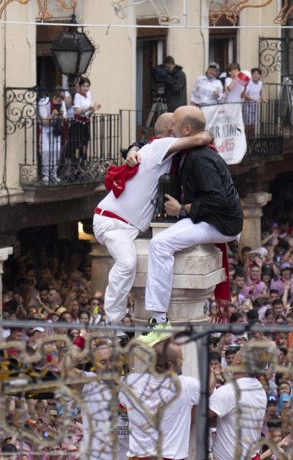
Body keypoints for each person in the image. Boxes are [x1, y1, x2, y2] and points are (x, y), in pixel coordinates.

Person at [92, 113, 212, 336]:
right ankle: (111, 323)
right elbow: (199, 140)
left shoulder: (154, 149)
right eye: (175, 126)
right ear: (169, 131)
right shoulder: (161, 145)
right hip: (113, 222)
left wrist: (132, 149)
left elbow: (140, 145)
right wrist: (207, 132)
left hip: (127, 225)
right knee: (127, 263)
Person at [143, 105, 243, 331]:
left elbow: (217, 200)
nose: (171, 128)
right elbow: (148, 145)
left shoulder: (200, 159)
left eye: (174, 125)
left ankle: (158, 319)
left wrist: (181, 209)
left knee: (159, 245)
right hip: (213, 218)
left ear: (187, 130)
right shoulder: (193, 149)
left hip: (221, 224)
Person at [120, 337, 212, 459]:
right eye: (181, 358)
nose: (183, 361)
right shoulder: (186, 385)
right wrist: (212, 372)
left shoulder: (131, 382)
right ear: (170, 366)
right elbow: (209, 389)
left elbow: (124, 406)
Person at [209, 344, 268, 460]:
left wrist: (210, 379)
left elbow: (197, 416)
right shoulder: (259, 388)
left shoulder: (230, 391)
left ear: (240, 359)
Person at [67, 76, 101, 164]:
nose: (86, 88)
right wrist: (88, 108)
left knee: (85, 144)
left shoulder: (88, 95)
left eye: (87, 86)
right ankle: (75, 165)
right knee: (77, 145)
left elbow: (88, 114)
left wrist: (93, 109)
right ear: (80, 86)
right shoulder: (78, 96)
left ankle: (82, 163)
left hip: (86, 123)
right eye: (84, 86)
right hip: (78, 124)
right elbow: (77, 111)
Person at [37, 88, 65, 184]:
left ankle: (53, 174)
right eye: (58, 99)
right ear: (53, 97)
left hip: (55, 130)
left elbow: (64, 117)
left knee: (56, 150)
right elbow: (44, 121)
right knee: (45, 150)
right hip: (45, 130)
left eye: (61, 100)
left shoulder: (61, 103)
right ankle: (45, 174)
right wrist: (52, 115)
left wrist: (60, 115)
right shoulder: (43, 103)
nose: (59, 102)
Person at [243, 68, 264, 138]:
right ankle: (247, 140)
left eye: (257, 74)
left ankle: (252, 140)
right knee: (248, 125)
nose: (255, 75)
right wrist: (254, 100)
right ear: (252, 75)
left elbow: (260, 92)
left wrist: (263, 98)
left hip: (256, 106)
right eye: (254, 73)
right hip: (248, 106)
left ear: (259, 75)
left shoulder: (260, 83)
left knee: (254, 124)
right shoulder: (249, 83)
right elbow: (245, 95)